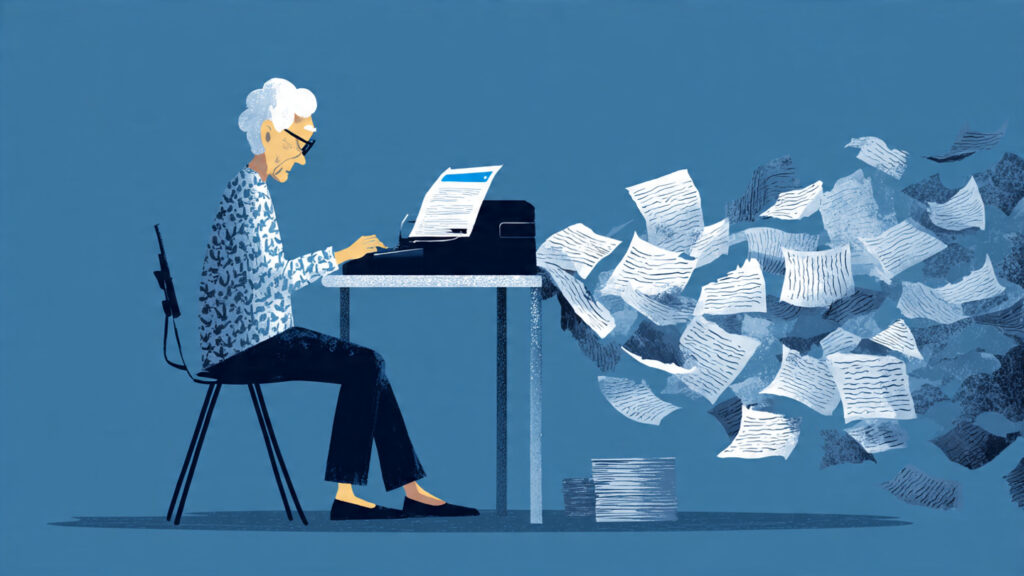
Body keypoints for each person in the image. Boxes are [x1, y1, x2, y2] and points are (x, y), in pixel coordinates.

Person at [197, 78, 478, 520]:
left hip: (250, 337)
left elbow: (265, 278)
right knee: (366, 364)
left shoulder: (250, 188)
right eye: (300, 144)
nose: (302, 159)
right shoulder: (249, 194)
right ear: (268, 133)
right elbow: (275, 279)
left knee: (369, 365)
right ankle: (349, 497)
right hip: (245, 346)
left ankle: (409, 489)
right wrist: (342, 254)